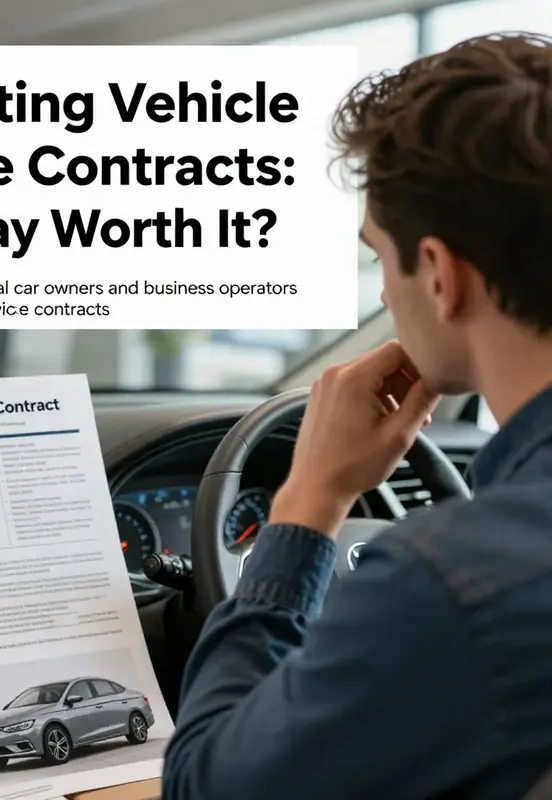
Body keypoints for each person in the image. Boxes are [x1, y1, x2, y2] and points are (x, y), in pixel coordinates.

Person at [162, 32, 552, 800]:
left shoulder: (448, 582)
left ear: (439, 275)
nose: (383, 297)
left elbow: (206, 787)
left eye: (379, 257)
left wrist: (308, 500)